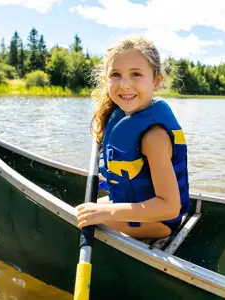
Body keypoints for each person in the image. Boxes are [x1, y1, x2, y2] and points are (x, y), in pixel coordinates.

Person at [76, 37, 190, 239]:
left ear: (156, 81)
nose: (125, 84)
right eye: (116, 74)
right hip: (137, 209)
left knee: (81, 218)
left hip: (160, 221)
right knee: (80, 210)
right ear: (106, 81)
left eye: (136, 74)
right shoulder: (124, 117)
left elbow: (170, 207)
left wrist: (108, 212)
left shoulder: (154, 136)